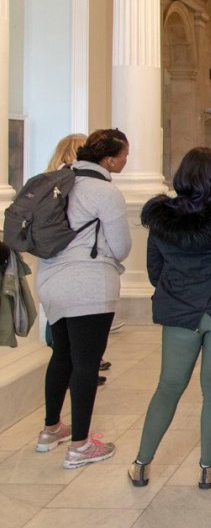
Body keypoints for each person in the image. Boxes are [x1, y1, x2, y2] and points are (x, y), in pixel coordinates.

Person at [127, 147, 211, 490]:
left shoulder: (161, 219)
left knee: (168, 387)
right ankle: (206, 467)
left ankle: (141, 464)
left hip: (179, 312)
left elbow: (155, 272)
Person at [34, 129, 131, 468]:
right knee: (87, 363)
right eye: (123, 155)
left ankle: (51, 429)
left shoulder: (56, 182)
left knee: (61, 355)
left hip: (50, 280)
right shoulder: (104, 191)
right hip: (88, 285)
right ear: (108, 159)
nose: (125, 161)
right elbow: (121, 246)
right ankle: (80, 445)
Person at [43, 133, 111, 385]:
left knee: (60, 342)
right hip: (79, 270)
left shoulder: (48, 184)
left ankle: (53, 420)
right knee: (77, 347)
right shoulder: (86, 187)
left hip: (51, 270)